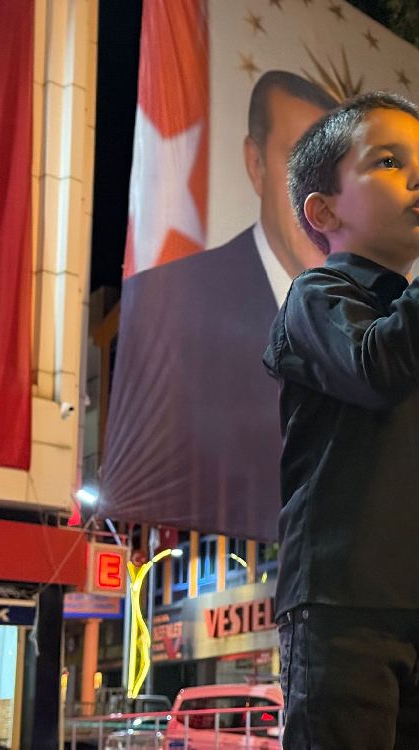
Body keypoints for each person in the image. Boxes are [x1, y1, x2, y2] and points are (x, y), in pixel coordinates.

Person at [263, 91, 419, 749]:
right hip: (348, 611)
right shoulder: (316, 297)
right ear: (324, 211)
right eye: (390, 162)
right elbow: (377, 370)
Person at [102, 72, 337, 539]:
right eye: (299, 166)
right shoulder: (169, 301)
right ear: (255, 164)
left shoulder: (365, 316)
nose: (318, 200)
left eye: (332, 174)